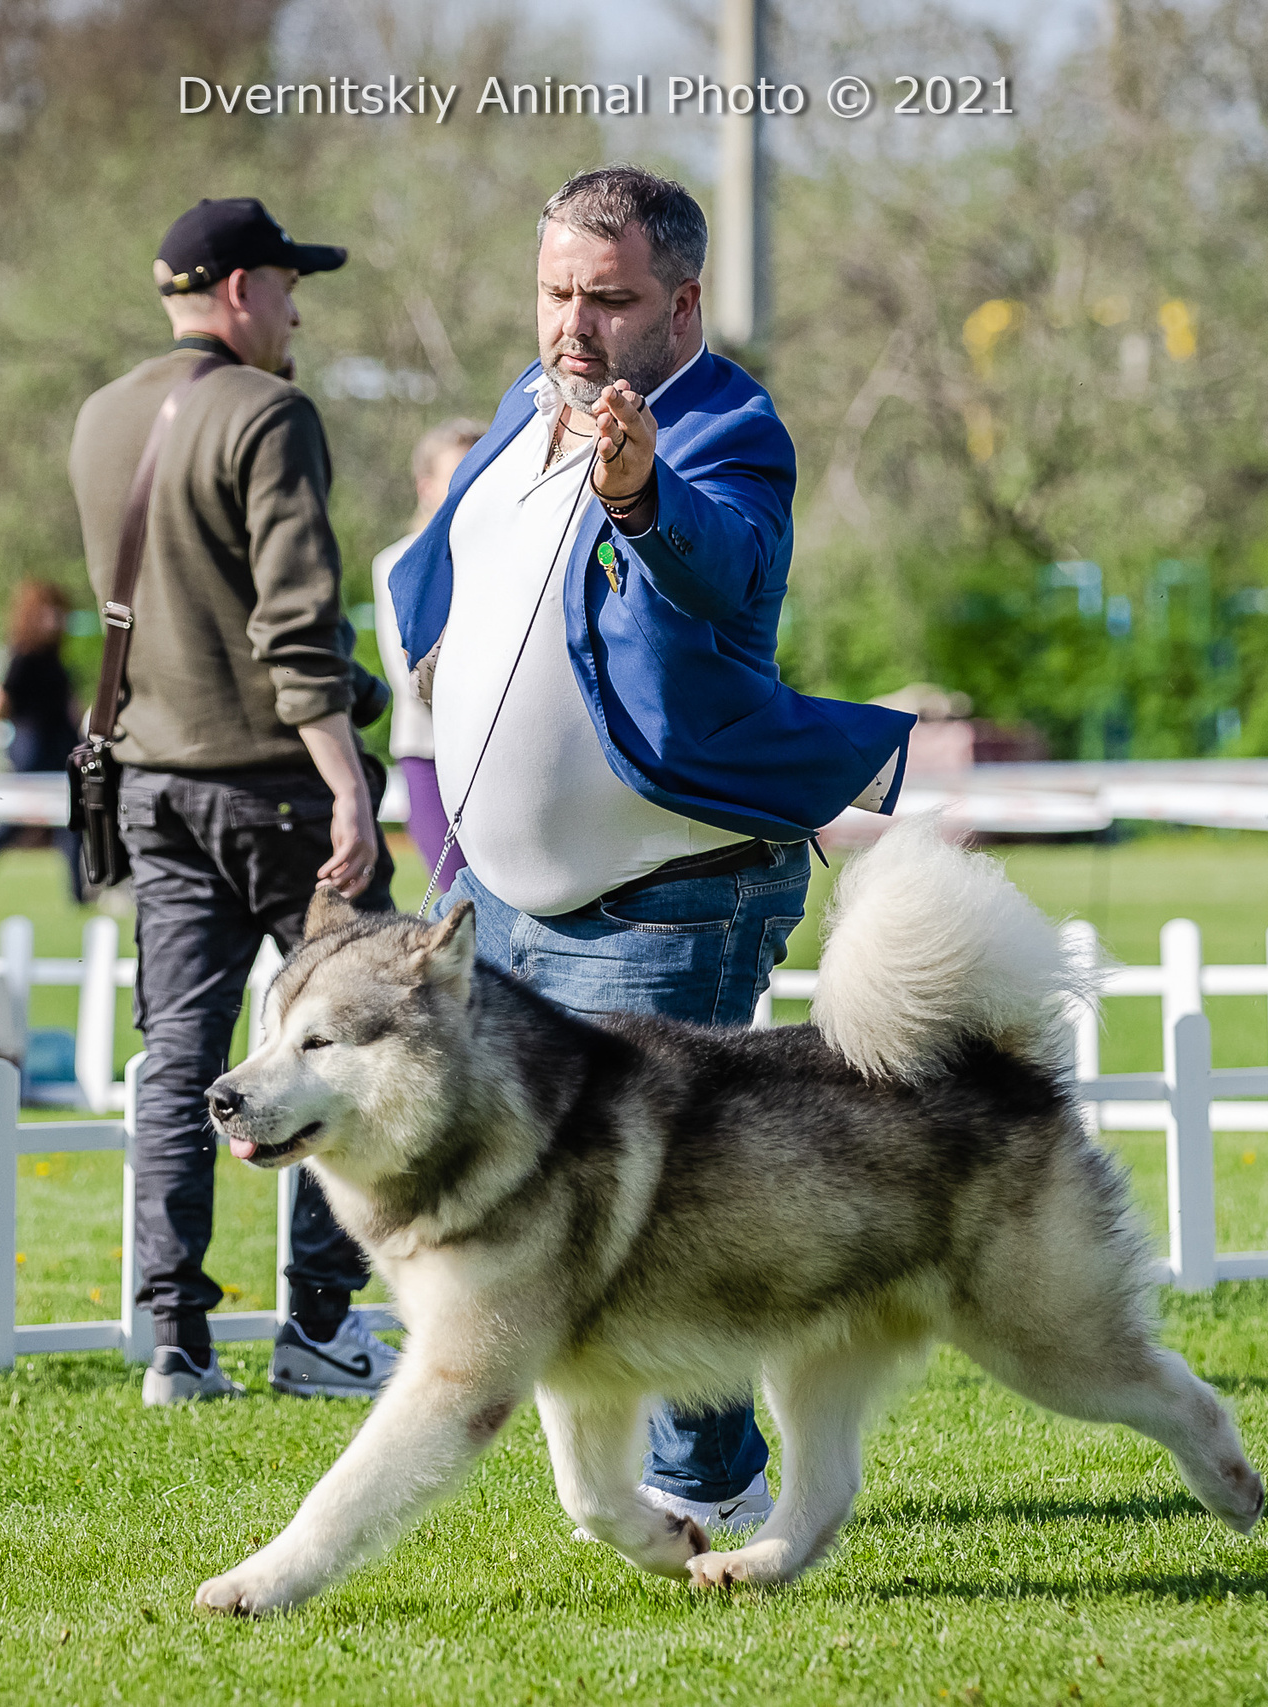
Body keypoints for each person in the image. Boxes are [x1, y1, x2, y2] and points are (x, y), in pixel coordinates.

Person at [386, 166, 915, 1536]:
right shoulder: (527, 398)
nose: (574, 324)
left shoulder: (728, 428)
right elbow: (453, 562)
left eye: (609, 300)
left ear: (681, 303)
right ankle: (615, 1453)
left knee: (673, 1201)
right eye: (556, 291)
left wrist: (639, 495)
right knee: (529, 1186)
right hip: (502, 892)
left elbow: (723, 563)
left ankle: (711, 1481)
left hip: (669, 895)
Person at [70, 196, 398, 1407]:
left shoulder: (101, 415)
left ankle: (175, 1340)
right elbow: (292, 628)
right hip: (275, 783)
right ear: (243, 289)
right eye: (289, 288)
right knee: (354, 1043)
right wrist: (347, 782)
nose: (297, 314)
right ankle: (319, 1326)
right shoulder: (268, 412)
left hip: (151, 782)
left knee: (177, 1057)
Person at [372, 419, 487, 889]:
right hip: (431, 756)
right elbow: (411, 680)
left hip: (501, 760)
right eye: (457, 475)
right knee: (457, 900)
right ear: (426, 488)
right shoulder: (395, 564)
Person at [0, 580, 86, 911]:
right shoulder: (23, 656)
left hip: (60, 747)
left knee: (71, 819)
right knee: (13, 819)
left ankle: (77, 893)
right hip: (33, 749)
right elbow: (3, 702)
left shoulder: (55, 658)